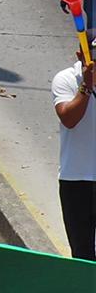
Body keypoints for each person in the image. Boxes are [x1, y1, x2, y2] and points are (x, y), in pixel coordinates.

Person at [52, 53, 96, 261]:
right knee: (82, 255)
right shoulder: (66, 79)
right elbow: (69, 118)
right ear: (82, 53)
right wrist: (86, 86)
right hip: (76, 180)